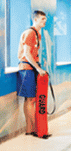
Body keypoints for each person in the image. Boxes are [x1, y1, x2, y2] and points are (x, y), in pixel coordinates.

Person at [17, 9, 47, 137]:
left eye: (45, 19)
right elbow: (27, 54)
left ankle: (29, 129)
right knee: (30, 99)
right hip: (26, 69)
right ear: (35, 19)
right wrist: (39, 69)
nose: (44, 21)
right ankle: (34, 129)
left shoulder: (37, 34)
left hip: (31, 69)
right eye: (42, 19)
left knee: (29, 99)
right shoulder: (30, 33)